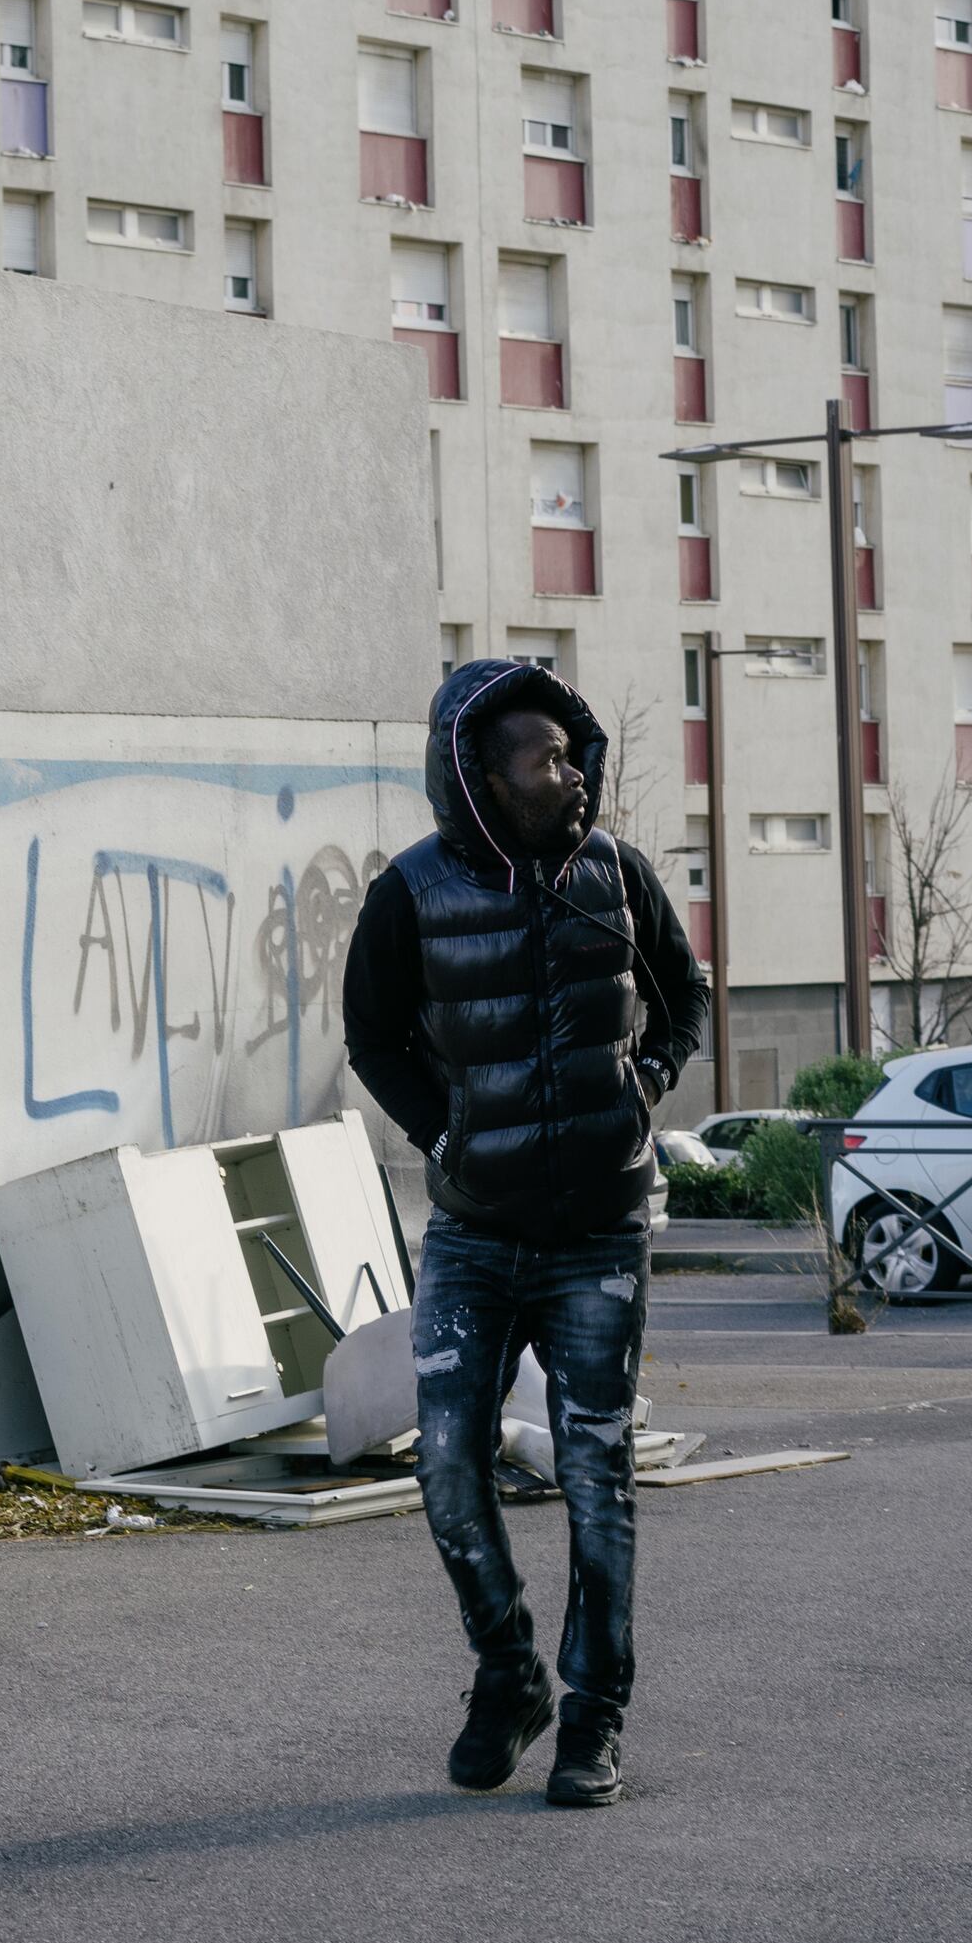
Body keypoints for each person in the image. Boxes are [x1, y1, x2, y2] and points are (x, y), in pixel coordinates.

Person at [339, 657, 707, 1807]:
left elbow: (685, 994)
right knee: (447, 1466)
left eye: (569, 751)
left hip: (600, 1231)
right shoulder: (410, 892)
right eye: (542, 759)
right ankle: (508, 1673)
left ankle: (592, 1718)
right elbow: (372, 1035)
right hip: (474, 1234)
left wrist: (645, 1081)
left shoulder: (615, 873)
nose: (569, 774)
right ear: (481, 776)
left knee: (597, 1476)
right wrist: (444, 1135)